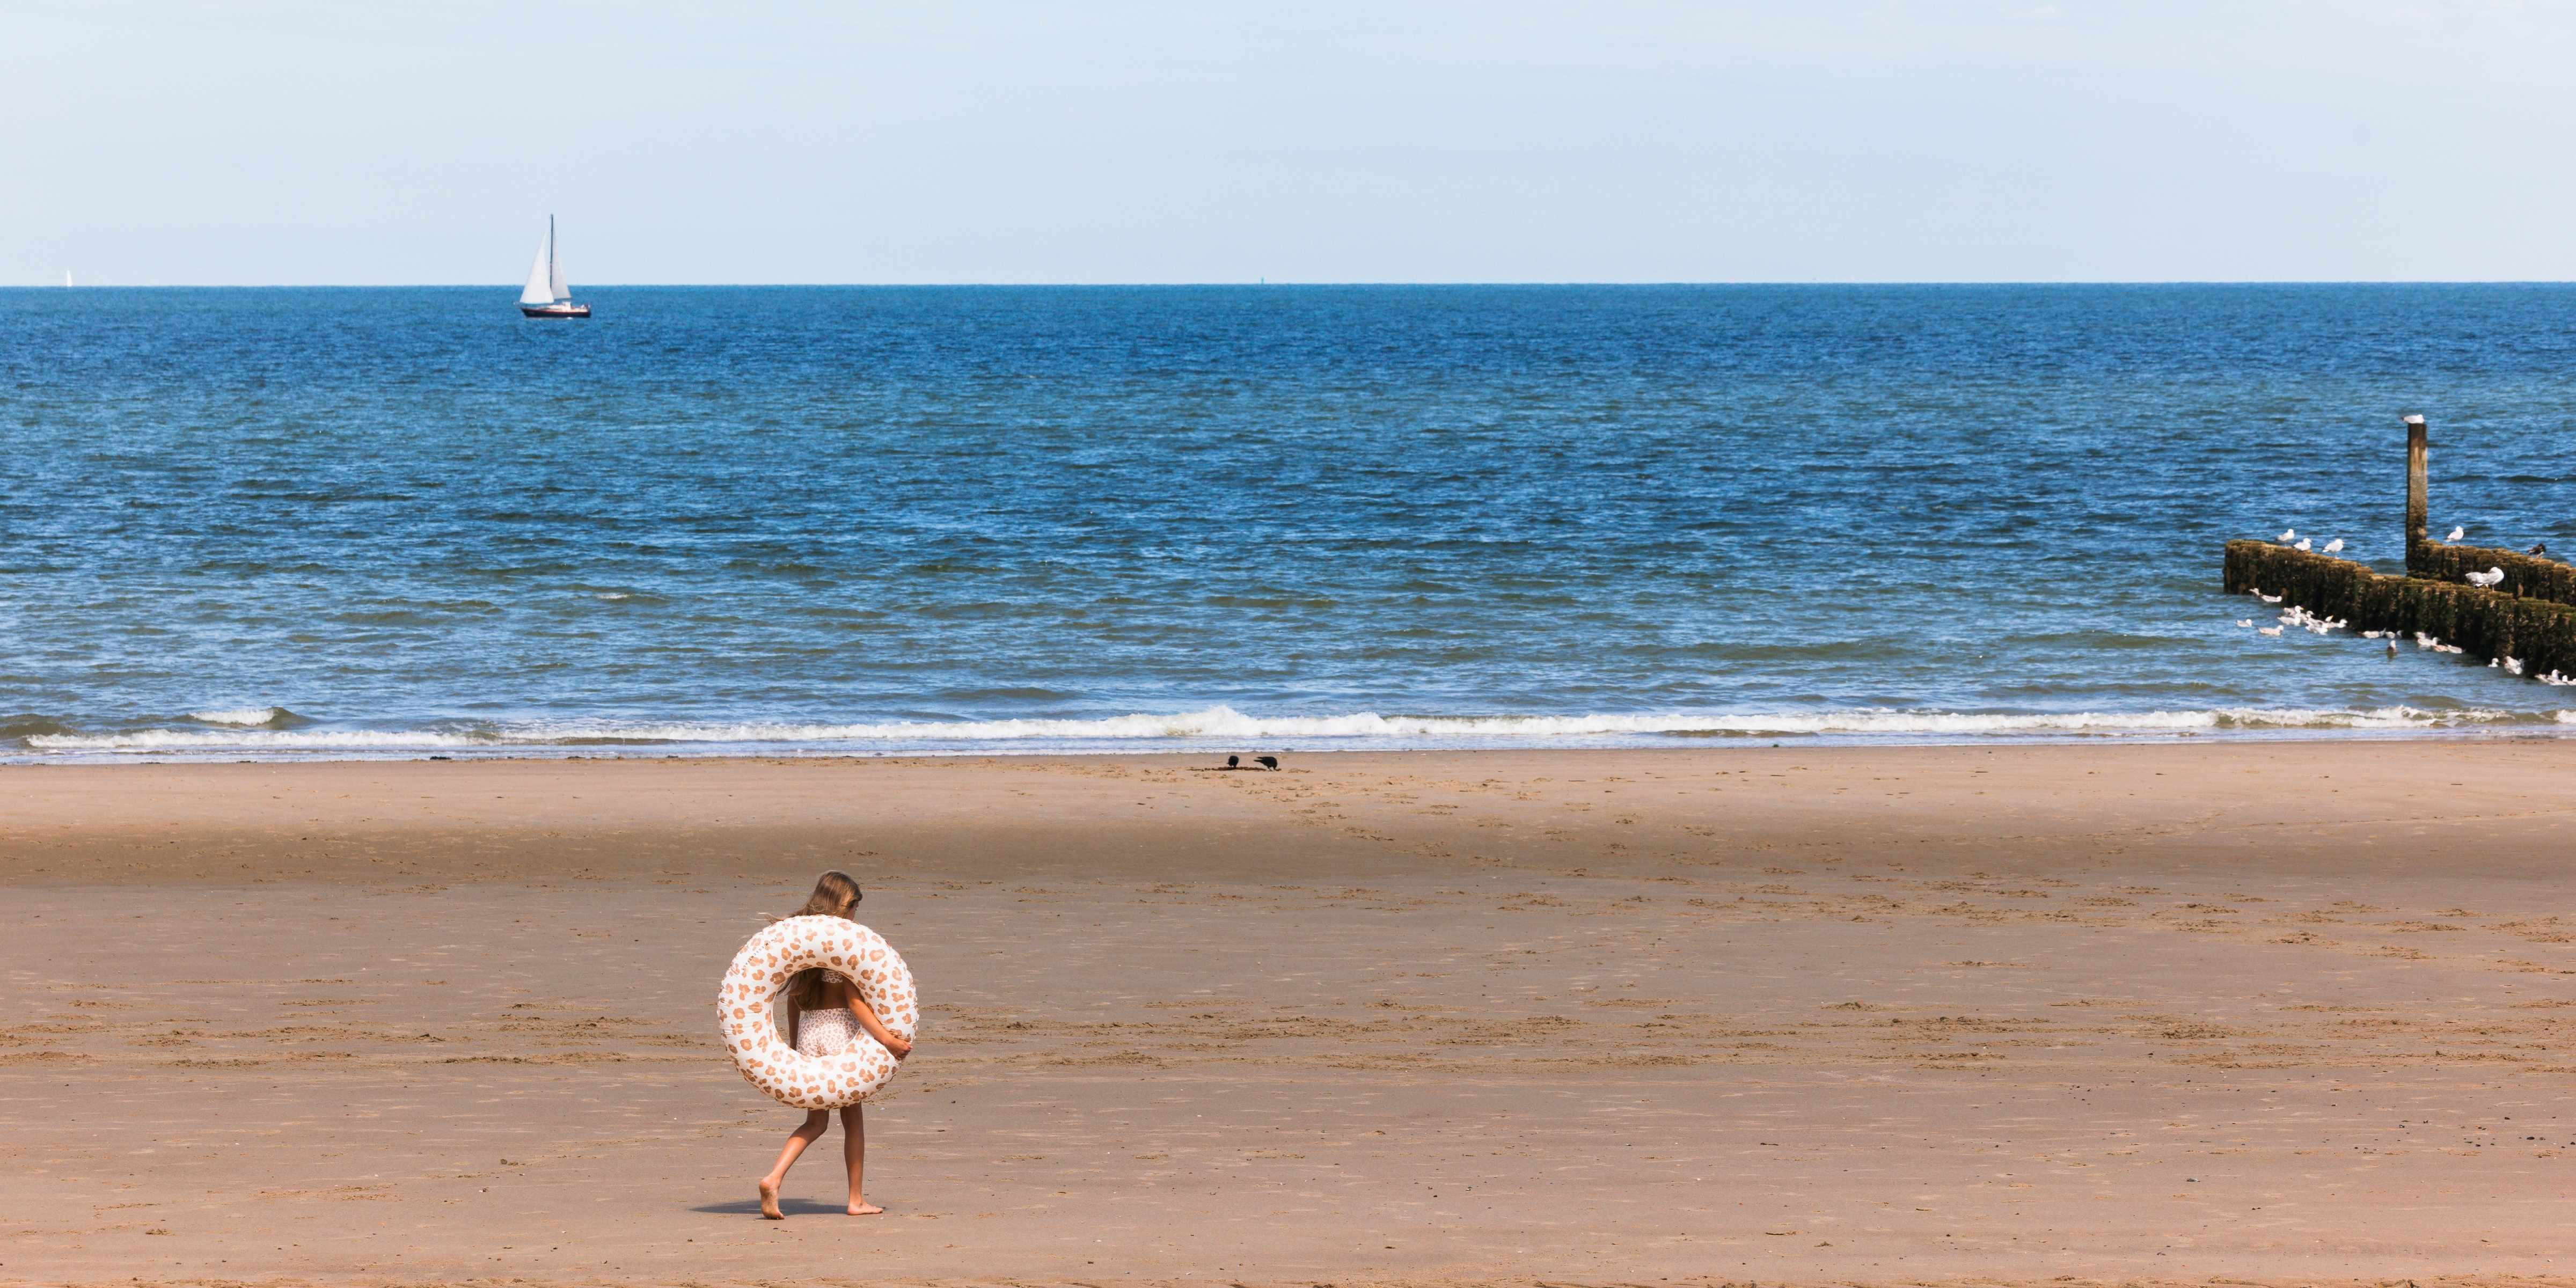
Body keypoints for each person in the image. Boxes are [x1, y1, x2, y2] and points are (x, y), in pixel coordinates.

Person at [756, 871, 913, 1218]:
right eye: (855, 907)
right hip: (840, 1034)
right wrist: (888, 1040)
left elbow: (794, 1000)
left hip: (810, 1033)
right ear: (846, 905)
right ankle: (856, 1199)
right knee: (853, 1120)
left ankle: (774, 1177)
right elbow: (855, 1003)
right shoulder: (843, 946)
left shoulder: (806, 944)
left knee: (816, 1122)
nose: (856, 915)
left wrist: (795, 1045)